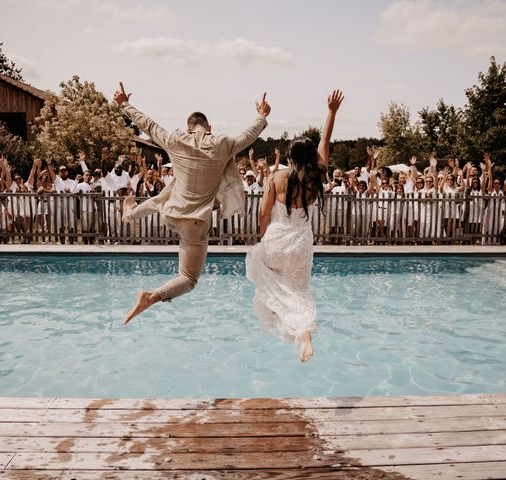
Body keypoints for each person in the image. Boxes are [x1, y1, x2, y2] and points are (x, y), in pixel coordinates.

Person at [116, 82, 271, 324]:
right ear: (209, 127)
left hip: (171, 213)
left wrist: (125, 104)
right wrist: (261, 116)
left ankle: (130, 214)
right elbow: (248, 136)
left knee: (170, 190)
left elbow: (148, 124)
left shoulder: (175, 139)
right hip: (195, 223)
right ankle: (152, 297)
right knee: (188, 279)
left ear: (189, 128)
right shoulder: (221, 143)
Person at [246, 90, 344, 363]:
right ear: (311, 157)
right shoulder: (317, 176)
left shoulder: (276, 178)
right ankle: (305, 335)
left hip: (277, 239)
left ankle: (284, 318)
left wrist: (263, 236)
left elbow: (264, 215)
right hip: (301, 242)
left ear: (289, 157)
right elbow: (325, 139)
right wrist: (331, 112)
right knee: (299, 291)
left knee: (268, 279)